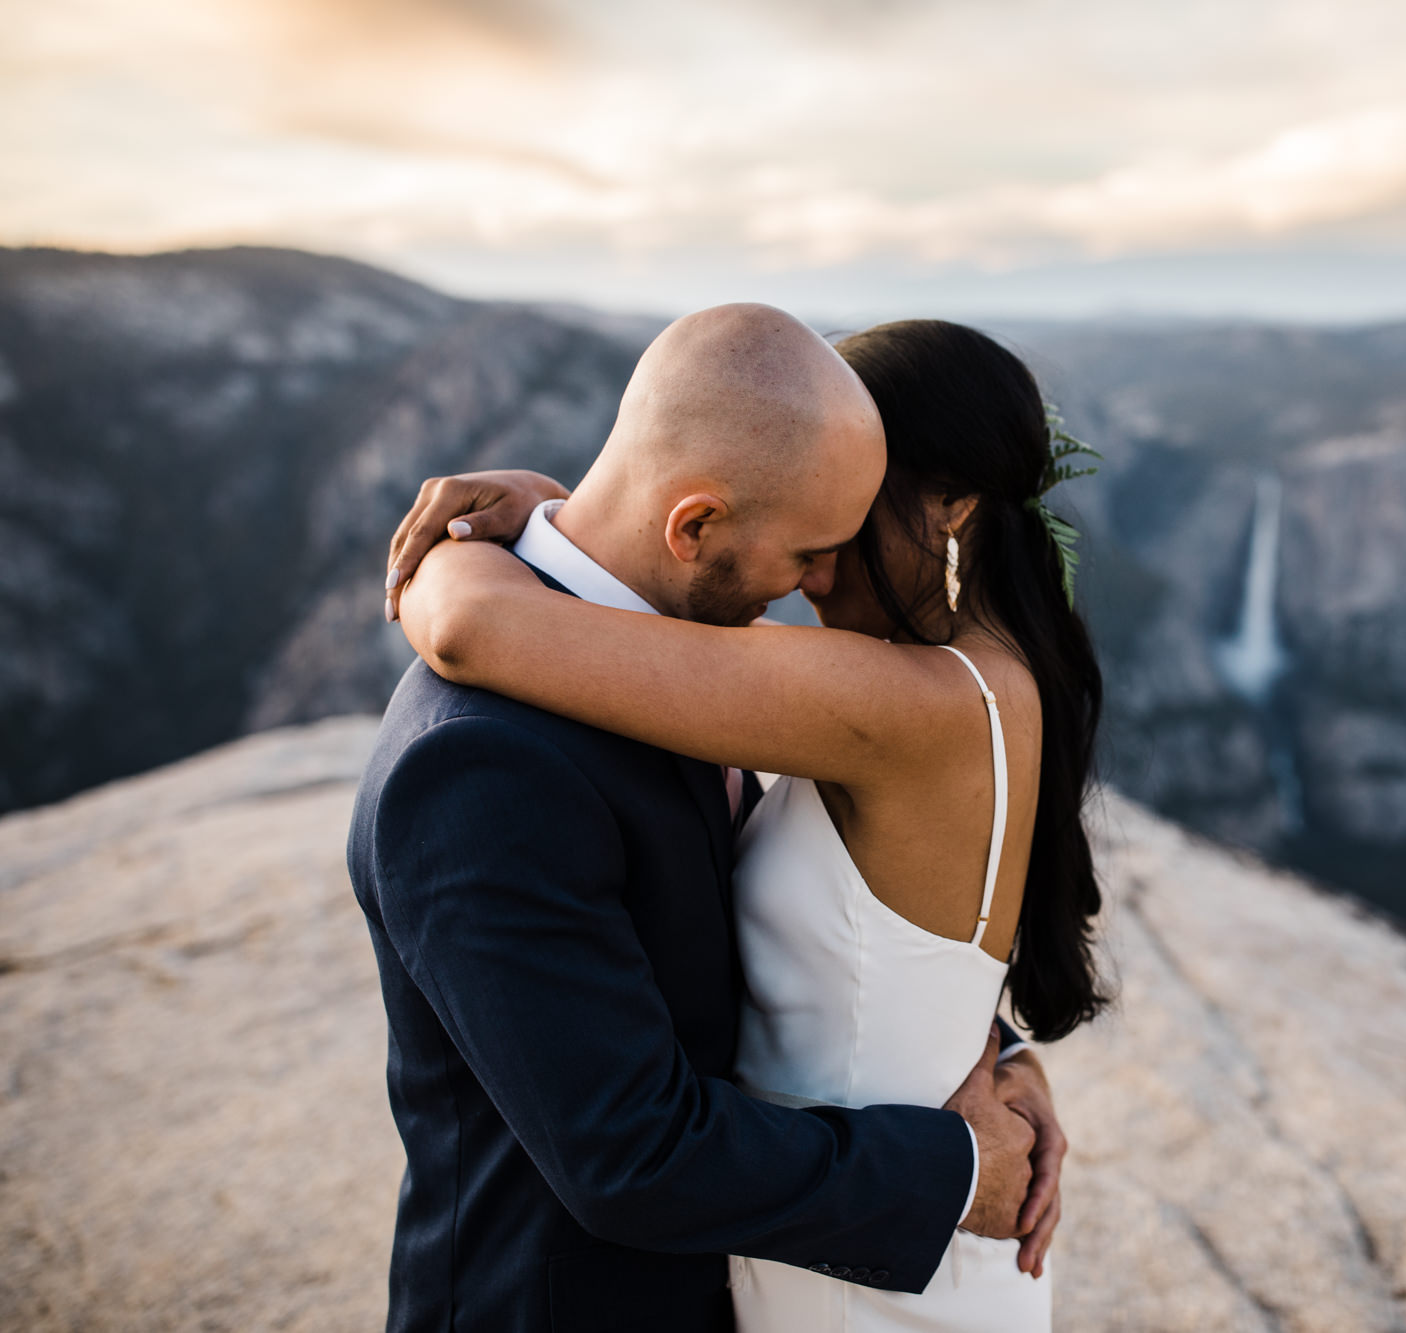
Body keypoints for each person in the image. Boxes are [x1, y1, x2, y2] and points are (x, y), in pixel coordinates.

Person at [350, 305, 1078, 1333]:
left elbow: (812, 941)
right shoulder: (480, 764)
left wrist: (981, 1046)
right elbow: (627, 1153)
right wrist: (955, 1167)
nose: (811, 588)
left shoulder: (684, 665)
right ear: (692, 527)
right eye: (806, 551)